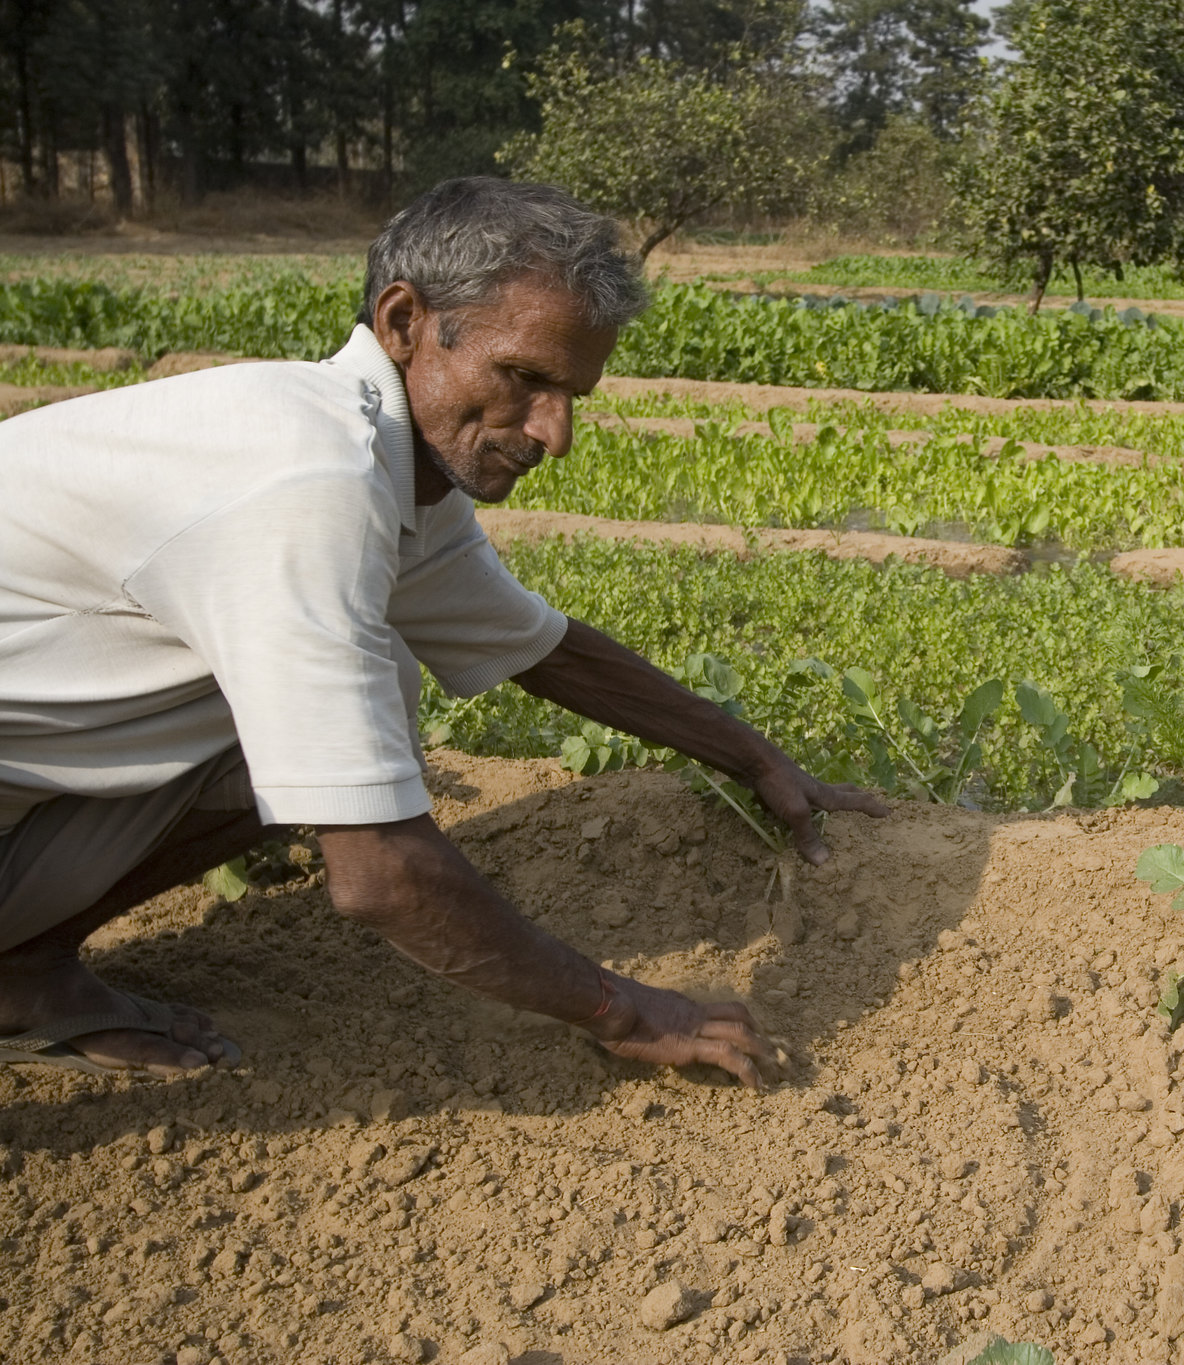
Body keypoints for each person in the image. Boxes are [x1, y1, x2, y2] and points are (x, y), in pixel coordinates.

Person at [0, 178, 886, 1087]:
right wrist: (624, 1010)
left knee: (357, 687)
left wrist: (750, 754)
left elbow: (537, 646)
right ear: (402, 322)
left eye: (572, 392)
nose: (556, 432)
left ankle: (20, 971)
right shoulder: (306, 481)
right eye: (526, 378)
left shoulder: (387, 467)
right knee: (355, 715)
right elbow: (377, 872)